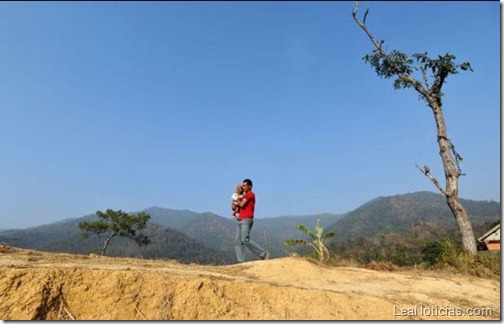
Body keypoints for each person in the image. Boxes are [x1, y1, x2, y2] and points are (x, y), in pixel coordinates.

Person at [233, 179, 269, 262]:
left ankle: (263, 253)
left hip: (247, 220)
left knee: (245, 239)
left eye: (245, 186)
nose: (243, 187)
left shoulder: (250, 194)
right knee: (238, 242)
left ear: (250, 186)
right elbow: (234, 207)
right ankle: (241, 261)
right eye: (243, 185)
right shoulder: (243, 196)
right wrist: (237, 197)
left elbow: (241, 204)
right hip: (241, 220)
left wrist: (236, 197)